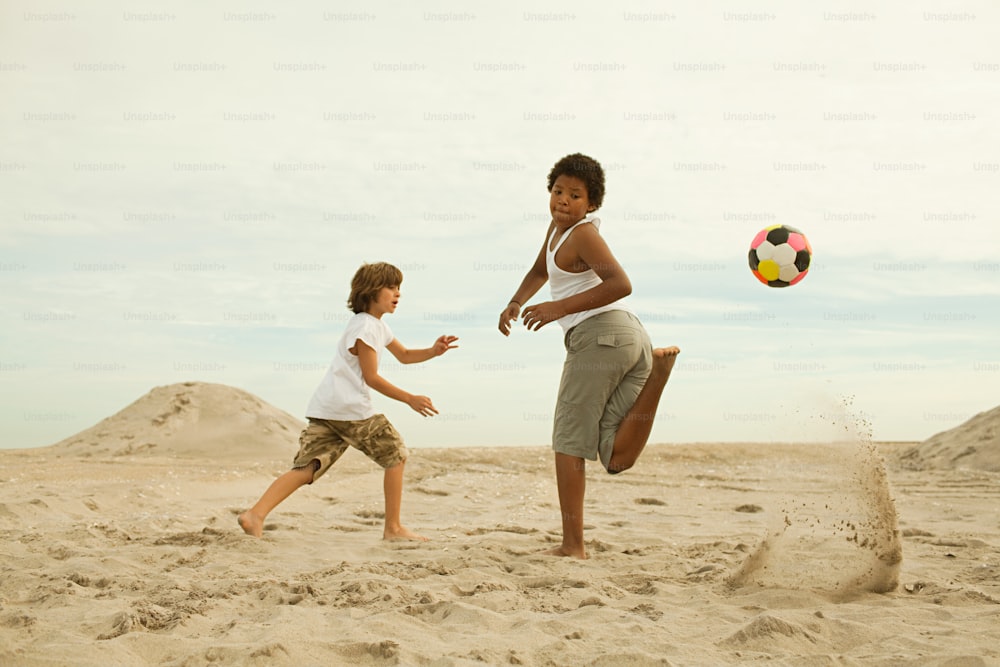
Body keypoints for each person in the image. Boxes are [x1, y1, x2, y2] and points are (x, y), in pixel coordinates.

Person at [498, 153, 680, 559]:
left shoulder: (583, 234)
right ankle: (658, 376)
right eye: (558, 190)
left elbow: (621, 282)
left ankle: (572, 546)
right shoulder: (556, 230)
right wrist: (516, 301)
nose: (563, 200)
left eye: (575, 195)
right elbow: (539, 271)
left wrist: (556, 309)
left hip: (600, 335)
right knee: (615, 458)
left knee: (568, 441)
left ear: (591, 204)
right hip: (628, 339)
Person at [239, 261, 458, 541]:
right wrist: (409, 398)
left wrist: (432, 351)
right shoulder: (366, 327)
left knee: (308, 467)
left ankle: (255, 515)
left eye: (399, 288)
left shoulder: (376, 327)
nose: (398, 293)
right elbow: (371, 377)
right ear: (369, 292)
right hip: (351, 410)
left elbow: (403, 355)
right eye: (391, 287)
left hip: (327, 408)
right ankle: (393, 529)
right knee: (396, 455)